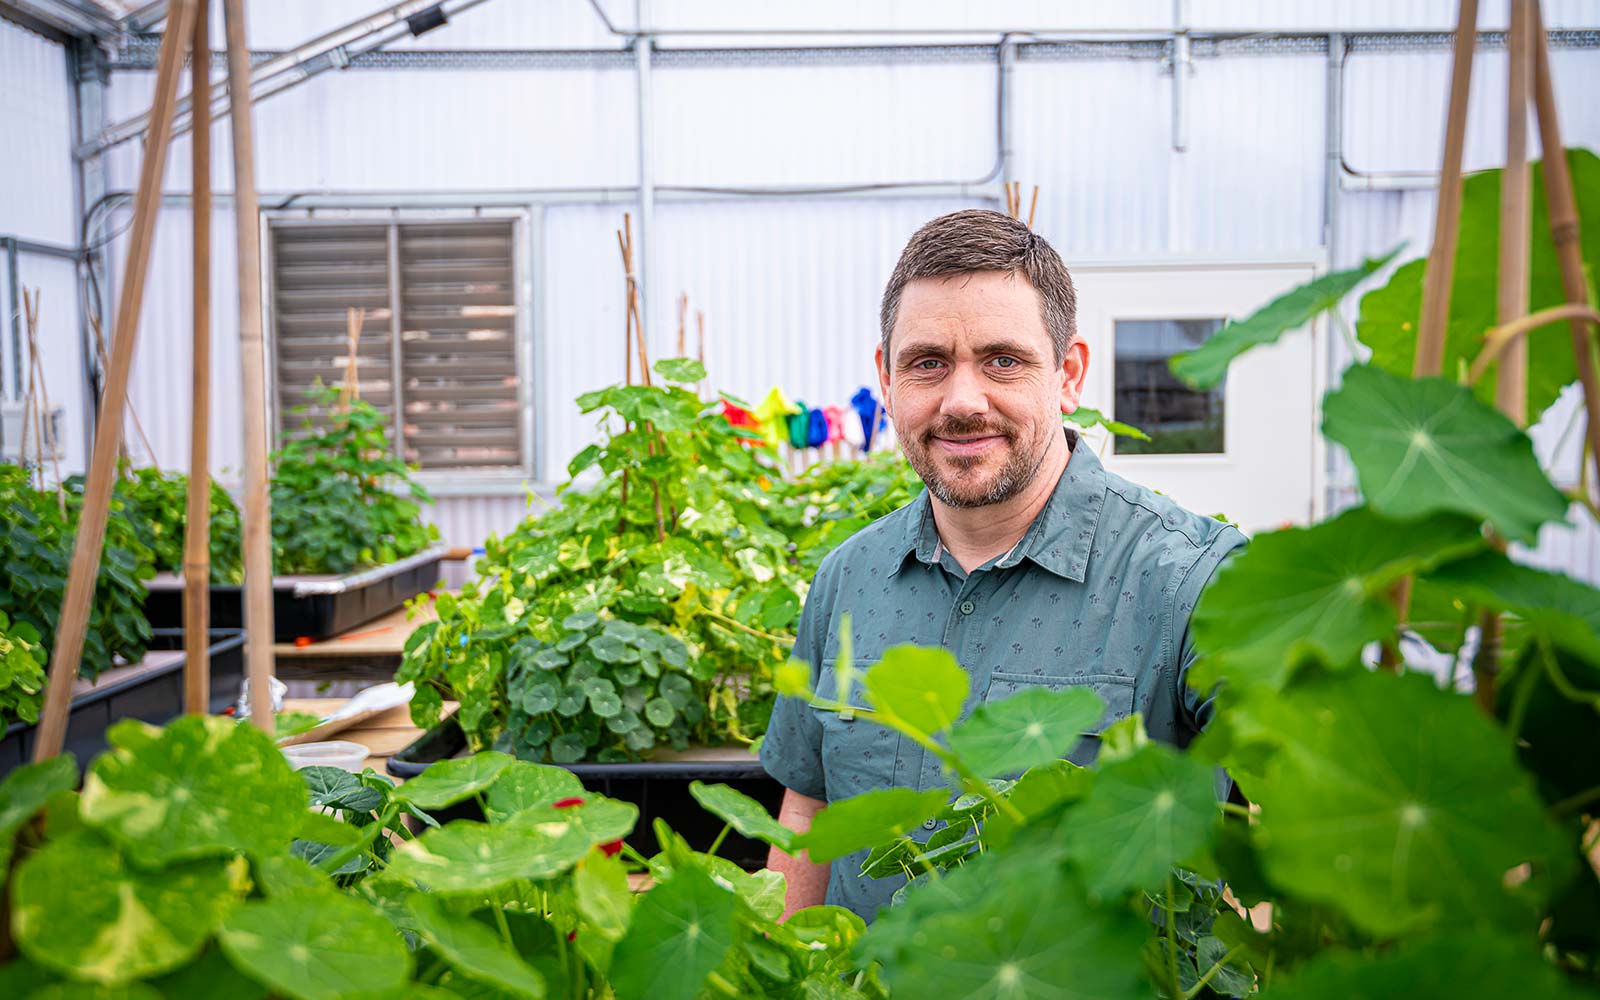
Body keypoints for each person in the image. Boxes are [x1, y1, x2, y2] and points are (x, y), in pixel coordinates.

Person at [758, 209, 1247, 922]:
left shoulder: (1189, 580)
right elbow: (807, 815)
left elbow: (1307, 820)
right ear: (886, 379)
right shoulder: (847, 578)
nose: (962, 401)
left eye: (1003, 360)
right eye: (927, 362)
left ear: (1068, 373)